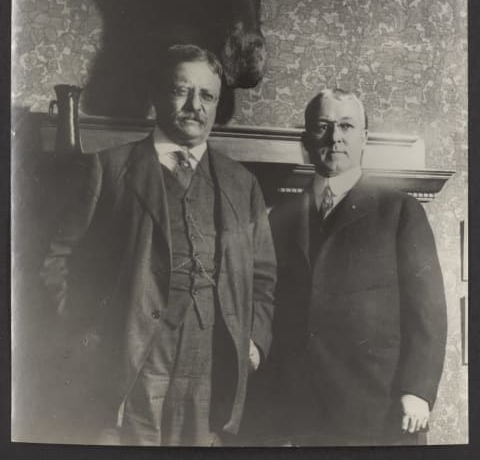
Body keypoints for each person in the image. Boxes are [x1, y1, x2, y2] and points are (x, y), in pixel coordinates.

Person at [41, 44, 276, 446]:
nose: (194, 105)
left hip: (211, 362)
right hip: (131, 360)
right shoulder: (109, 169)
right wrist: (85, 335)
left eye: (206, 95)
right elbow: (57, 260)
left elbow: (263, 275)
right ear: (155, 94)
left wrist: (252, 342)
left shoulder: (242, 184)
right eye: (180, 90)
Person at [269, 88, 447, 446]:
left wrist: (418, 389)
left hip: (379, 410)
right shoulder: (279, 218)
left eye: (347, 126)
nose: (335, 137)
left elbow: (428, 310)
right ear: (306, 138)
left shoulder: (400, 211)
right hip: (299, 412)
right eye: (323, 126)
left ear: (364, 137)